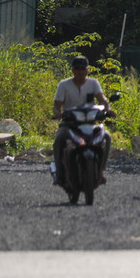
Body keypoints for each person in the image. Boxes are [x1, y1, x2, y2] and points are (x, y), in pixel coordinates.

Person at [52, 54, 112, 187]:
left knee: (106, 137)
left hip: (90, 123)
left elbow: (103, 100)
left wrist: (107, 110)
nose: (80, 72)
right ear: (72, 70)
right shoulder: (64, 85)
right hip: (69, 124)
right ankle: (59, 173)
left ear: (87, 70)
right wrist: (58, 114)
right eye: (77, 69)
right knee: (59, 140)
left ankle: (101, 171)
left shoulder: (93, 83)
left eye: (82, 69)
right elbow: (57, 106)